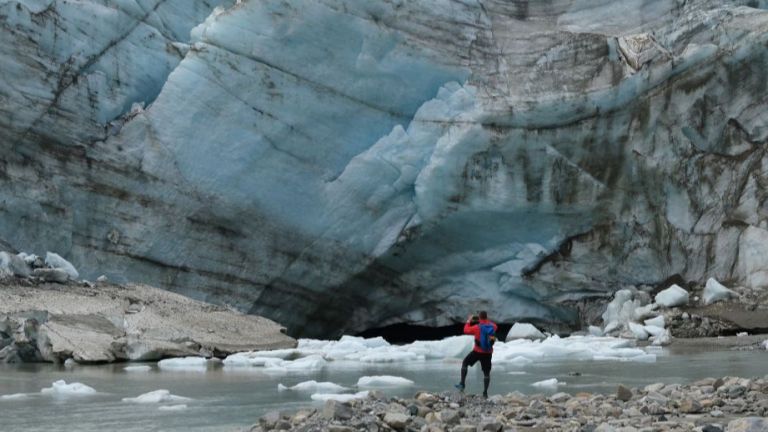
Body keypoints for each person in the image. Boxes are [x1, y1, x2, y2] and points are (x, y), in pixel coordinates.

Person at [455, 311, 497, 398]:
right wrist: (486, 321)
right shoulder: (493, 326)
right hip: (488, 353)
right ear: (486, 317)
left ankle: (462, 383)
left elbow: (465, 330)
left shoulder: (477, 327)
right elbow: (495, 327)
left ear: (479, 318)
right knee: (486, 373)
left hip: (477, 352)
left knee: (465, 363)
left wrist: (469, 321)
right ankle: (485, 393)